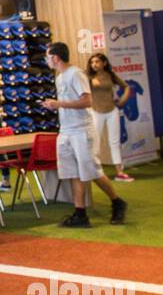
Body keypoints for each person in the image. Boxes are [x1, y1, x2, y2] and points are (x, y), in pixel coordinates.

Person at [40, 42, 126, 227]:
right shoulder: (60, 76)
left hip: (81, 130)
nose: (47, 61)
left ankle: (117, 202)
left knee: (92, 171)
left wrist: (59, 104)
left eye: (47, 57)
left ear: (55, 58)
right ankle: (80, 213)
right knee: (73, 172)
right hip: (67, 130)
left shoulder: (75, 74)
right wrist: (56, 104)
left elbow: (87, 101)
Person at [88, 53, 135, 182]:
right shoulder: (88, 77)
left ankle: (120, 172)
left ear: (104, 63)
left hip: (112, 110)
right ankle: (96, 172)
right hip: (96, 112)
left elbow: (126, 87)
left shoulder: (111, 76)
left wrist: (122, 101)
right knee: (95, 142)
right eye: (92, 62)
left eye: (97, 61)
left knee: (114, 142)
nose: (94, 64)